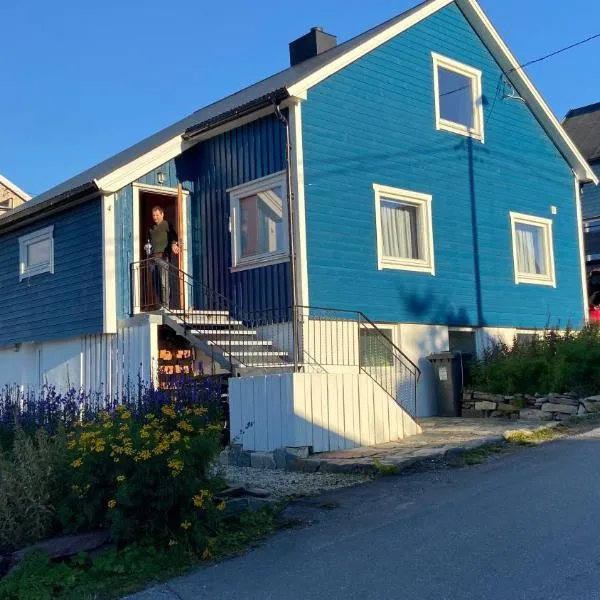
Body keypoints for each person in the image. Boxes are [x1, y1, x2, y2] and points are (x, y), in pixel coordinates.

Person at [147, 206, 179, 309]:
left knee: (164, 282)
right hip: (152, 258)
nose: (155, 217)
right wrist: (146, 246)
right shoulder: (151, 229)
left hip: (163, 257)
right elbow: (149, 242)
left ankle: (166, 305)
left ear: (162, 214)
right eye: (153, 215)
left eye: (157, 215)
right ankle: (161, 304)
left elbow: (174, 236)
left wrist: (174, 244)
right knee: (155, 283)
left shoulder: (166, 224)